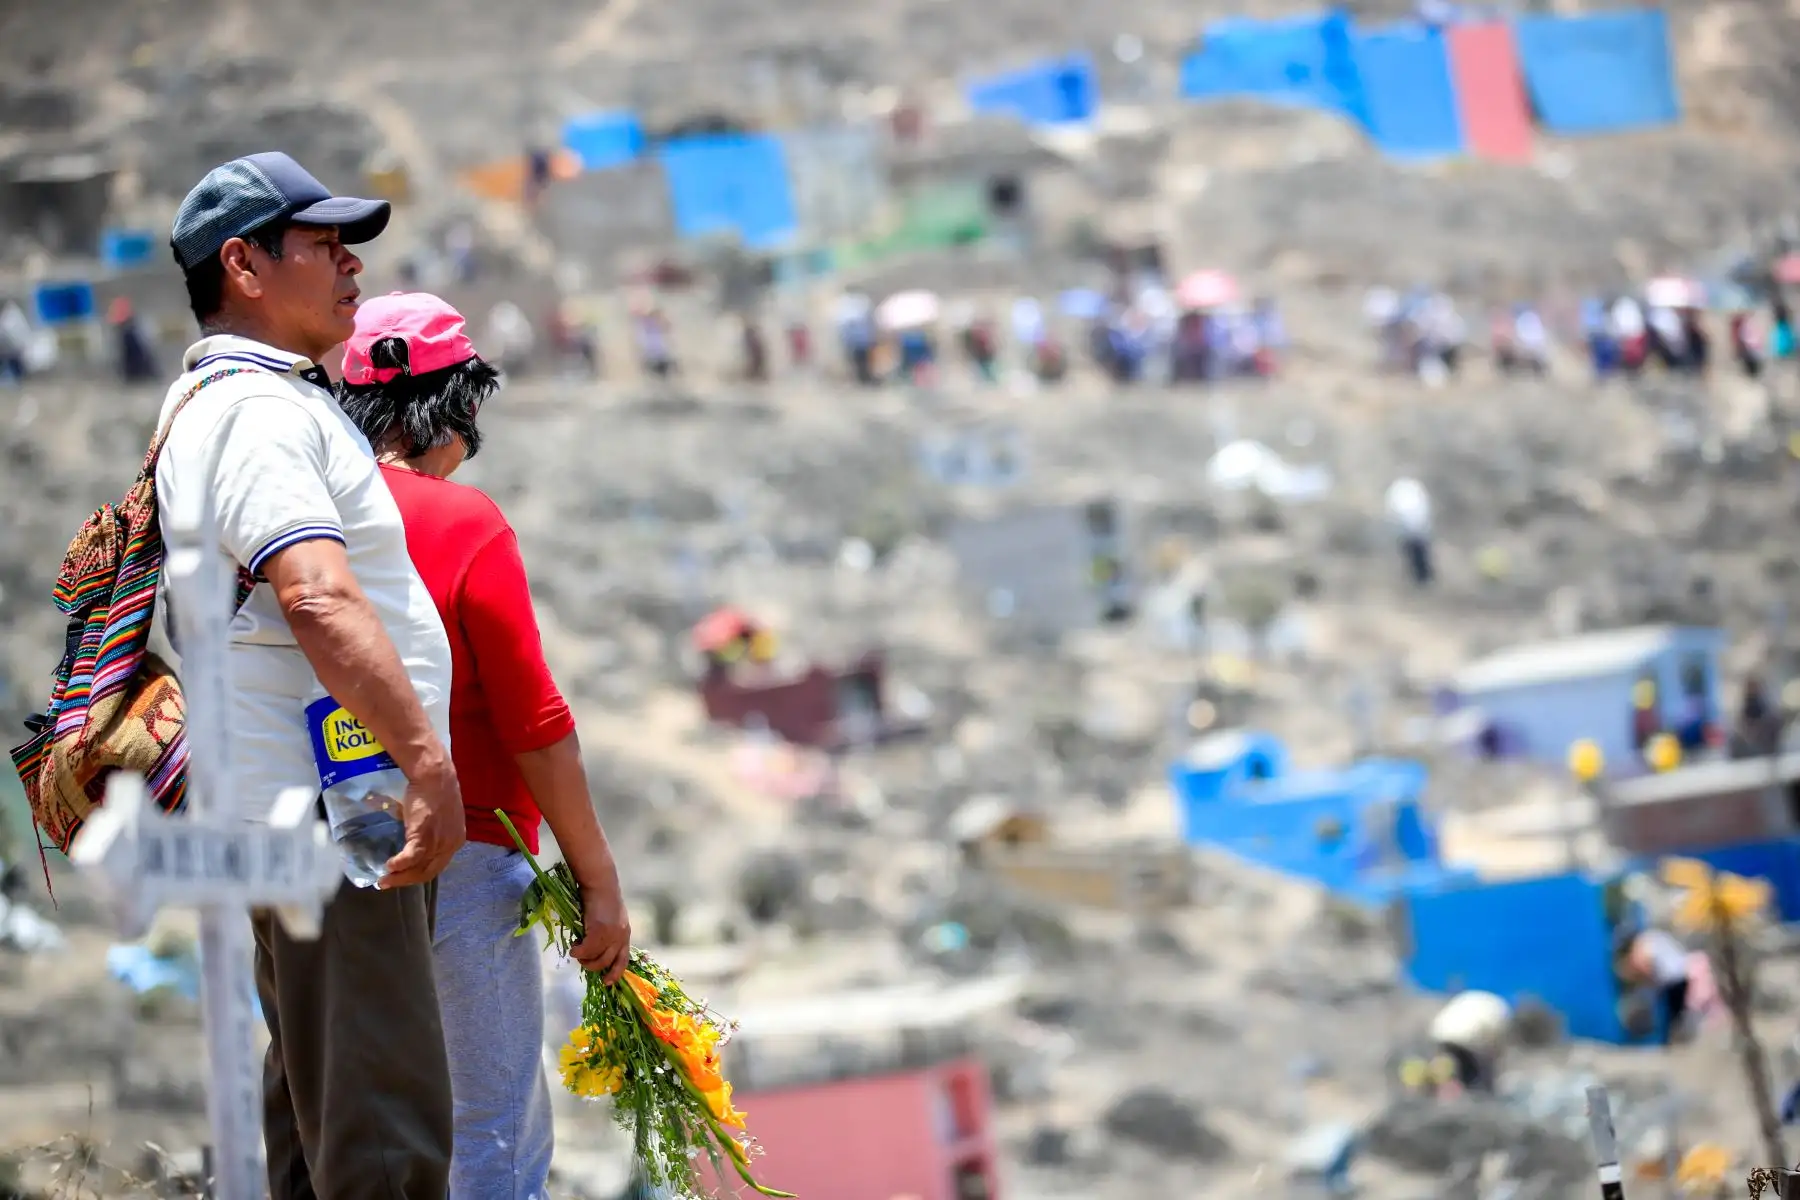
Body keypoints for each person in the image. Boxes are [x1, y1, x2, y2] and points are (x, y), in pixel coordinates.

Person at [157, 151, 463, 1198]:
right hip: (341, 822)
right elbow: (318, 595)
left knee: (319, 1130)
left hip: (308, 818)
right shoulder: (258, 412)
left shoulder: (256, 401)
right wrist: (426, 767)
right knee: (384, 1138)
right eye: (323, 245)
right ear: (243, 264)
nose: (350, 266)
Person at [336, 293, 632, 1199]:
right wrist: (598, 879)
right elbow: (534, 722)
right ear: (455, 406)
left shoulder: (297, 524)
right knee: (490, 1137)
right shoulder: (461, 522)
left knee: (358, 1130)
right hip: (464, 860)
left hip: (326, 861)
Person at [1426, 989, 1512, 1095]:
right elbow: (1495, 1043)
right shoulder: (1500, 1010)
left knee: (1448, 1065)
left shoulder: (1484, 1004)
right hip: (1466, 1039)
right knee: (1470, 1076)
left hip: (1443, 1032)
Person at [1384, 477, 1434, 588]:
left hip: (1414, 532)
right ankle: (1419, 580)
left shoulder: (1406, 492)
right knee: (1413, 556)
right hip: (1413, 532)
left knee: (1418, 556)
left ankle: (1422, 580)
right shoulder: (1406, 492)